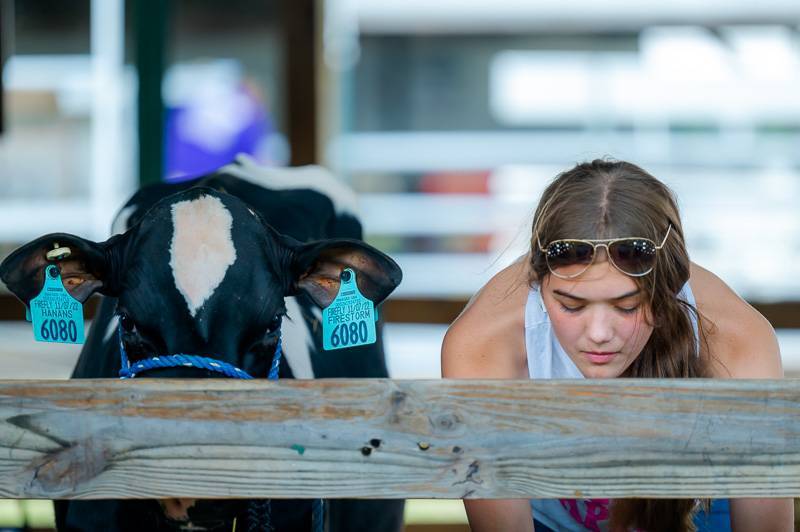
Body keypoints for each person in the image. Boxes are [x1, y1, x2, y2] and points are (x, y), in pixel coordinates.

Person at [441, 160, 794, 532]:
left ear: (668, 290)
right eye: (571, 306)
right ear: (539, 284)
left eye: (627, 306)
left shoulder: (735, 337)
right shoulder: (483, 343)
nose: (598, 333)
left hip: (698, 512)